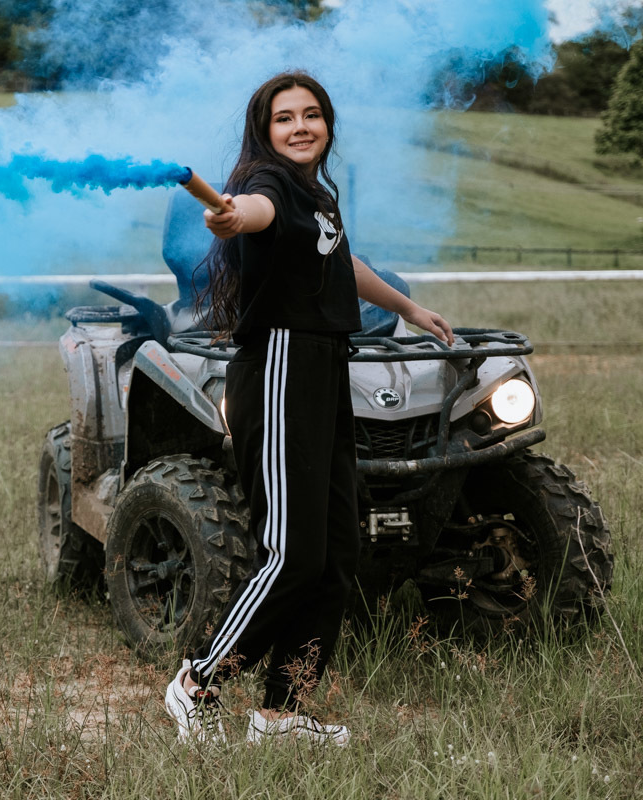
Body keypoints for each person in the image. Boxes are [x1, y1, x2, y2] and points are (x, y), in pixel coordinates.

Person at [163, 71, 454, 746]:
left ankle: (282, 712)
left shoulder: (319, 196)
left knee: (335, 554)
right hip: (280, 366)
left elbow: (339, 261)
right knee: (292, 551)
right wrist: (231, 216)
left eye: (312, 115)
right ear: (264, 132)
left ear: (327, 125)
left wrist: (407, 307)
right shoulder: (268, 185)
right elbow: (248, 212)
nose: (300, 126)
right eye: (285, 117)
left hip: (324, 365)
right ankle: (197, 681)